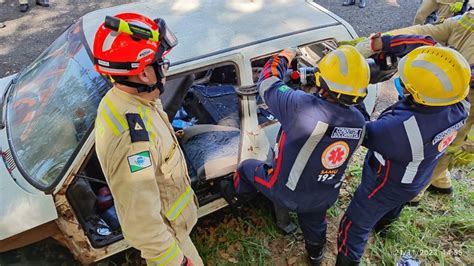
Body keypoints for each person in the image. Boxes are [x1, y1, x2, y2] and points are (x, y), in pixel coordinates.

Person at [222, 45, 370, 265]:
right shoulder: (360, 122)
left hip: (284, 190)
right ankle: (315, 255)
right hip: (323, 194)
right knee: (315, 224)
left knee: (246, 167)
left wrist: (284, 56)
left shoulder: (300, 106)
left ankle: (239, 200)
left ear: (322, 81)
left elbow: (268, 81)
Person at [335, 35, 470, 265]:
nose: (402, 83)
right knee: (393, 206)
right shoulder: (457, 105)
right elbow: (432, 48)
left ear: (417, 96)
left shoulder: (399, 130)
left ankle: (347, 259)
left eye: (405, 83)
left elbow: (360, 131)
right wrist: (386, 43)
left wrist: (357, 91)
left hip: (384, 184)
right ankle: (384, 226)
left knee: (355, 224)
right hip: (417, 177)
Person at [92, 13, 202, 266]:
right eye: (161, 64)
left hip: (175, 229)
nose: (165, 69)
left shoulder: (132, 99)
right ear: (143, 74)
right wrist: (179, 262)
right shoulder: (134, 144)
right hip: (170, 243)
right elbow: (143, 226)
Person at [388, 10, 474, 203]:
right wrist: (384, 39)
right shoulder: (468, 19)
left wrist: (471, 143)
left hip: (466, 109)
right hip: (442, 97)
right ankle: (440, 181)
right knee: (432, 143)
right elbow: (424, 30)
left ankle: (413, 193)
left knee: (447, 146)